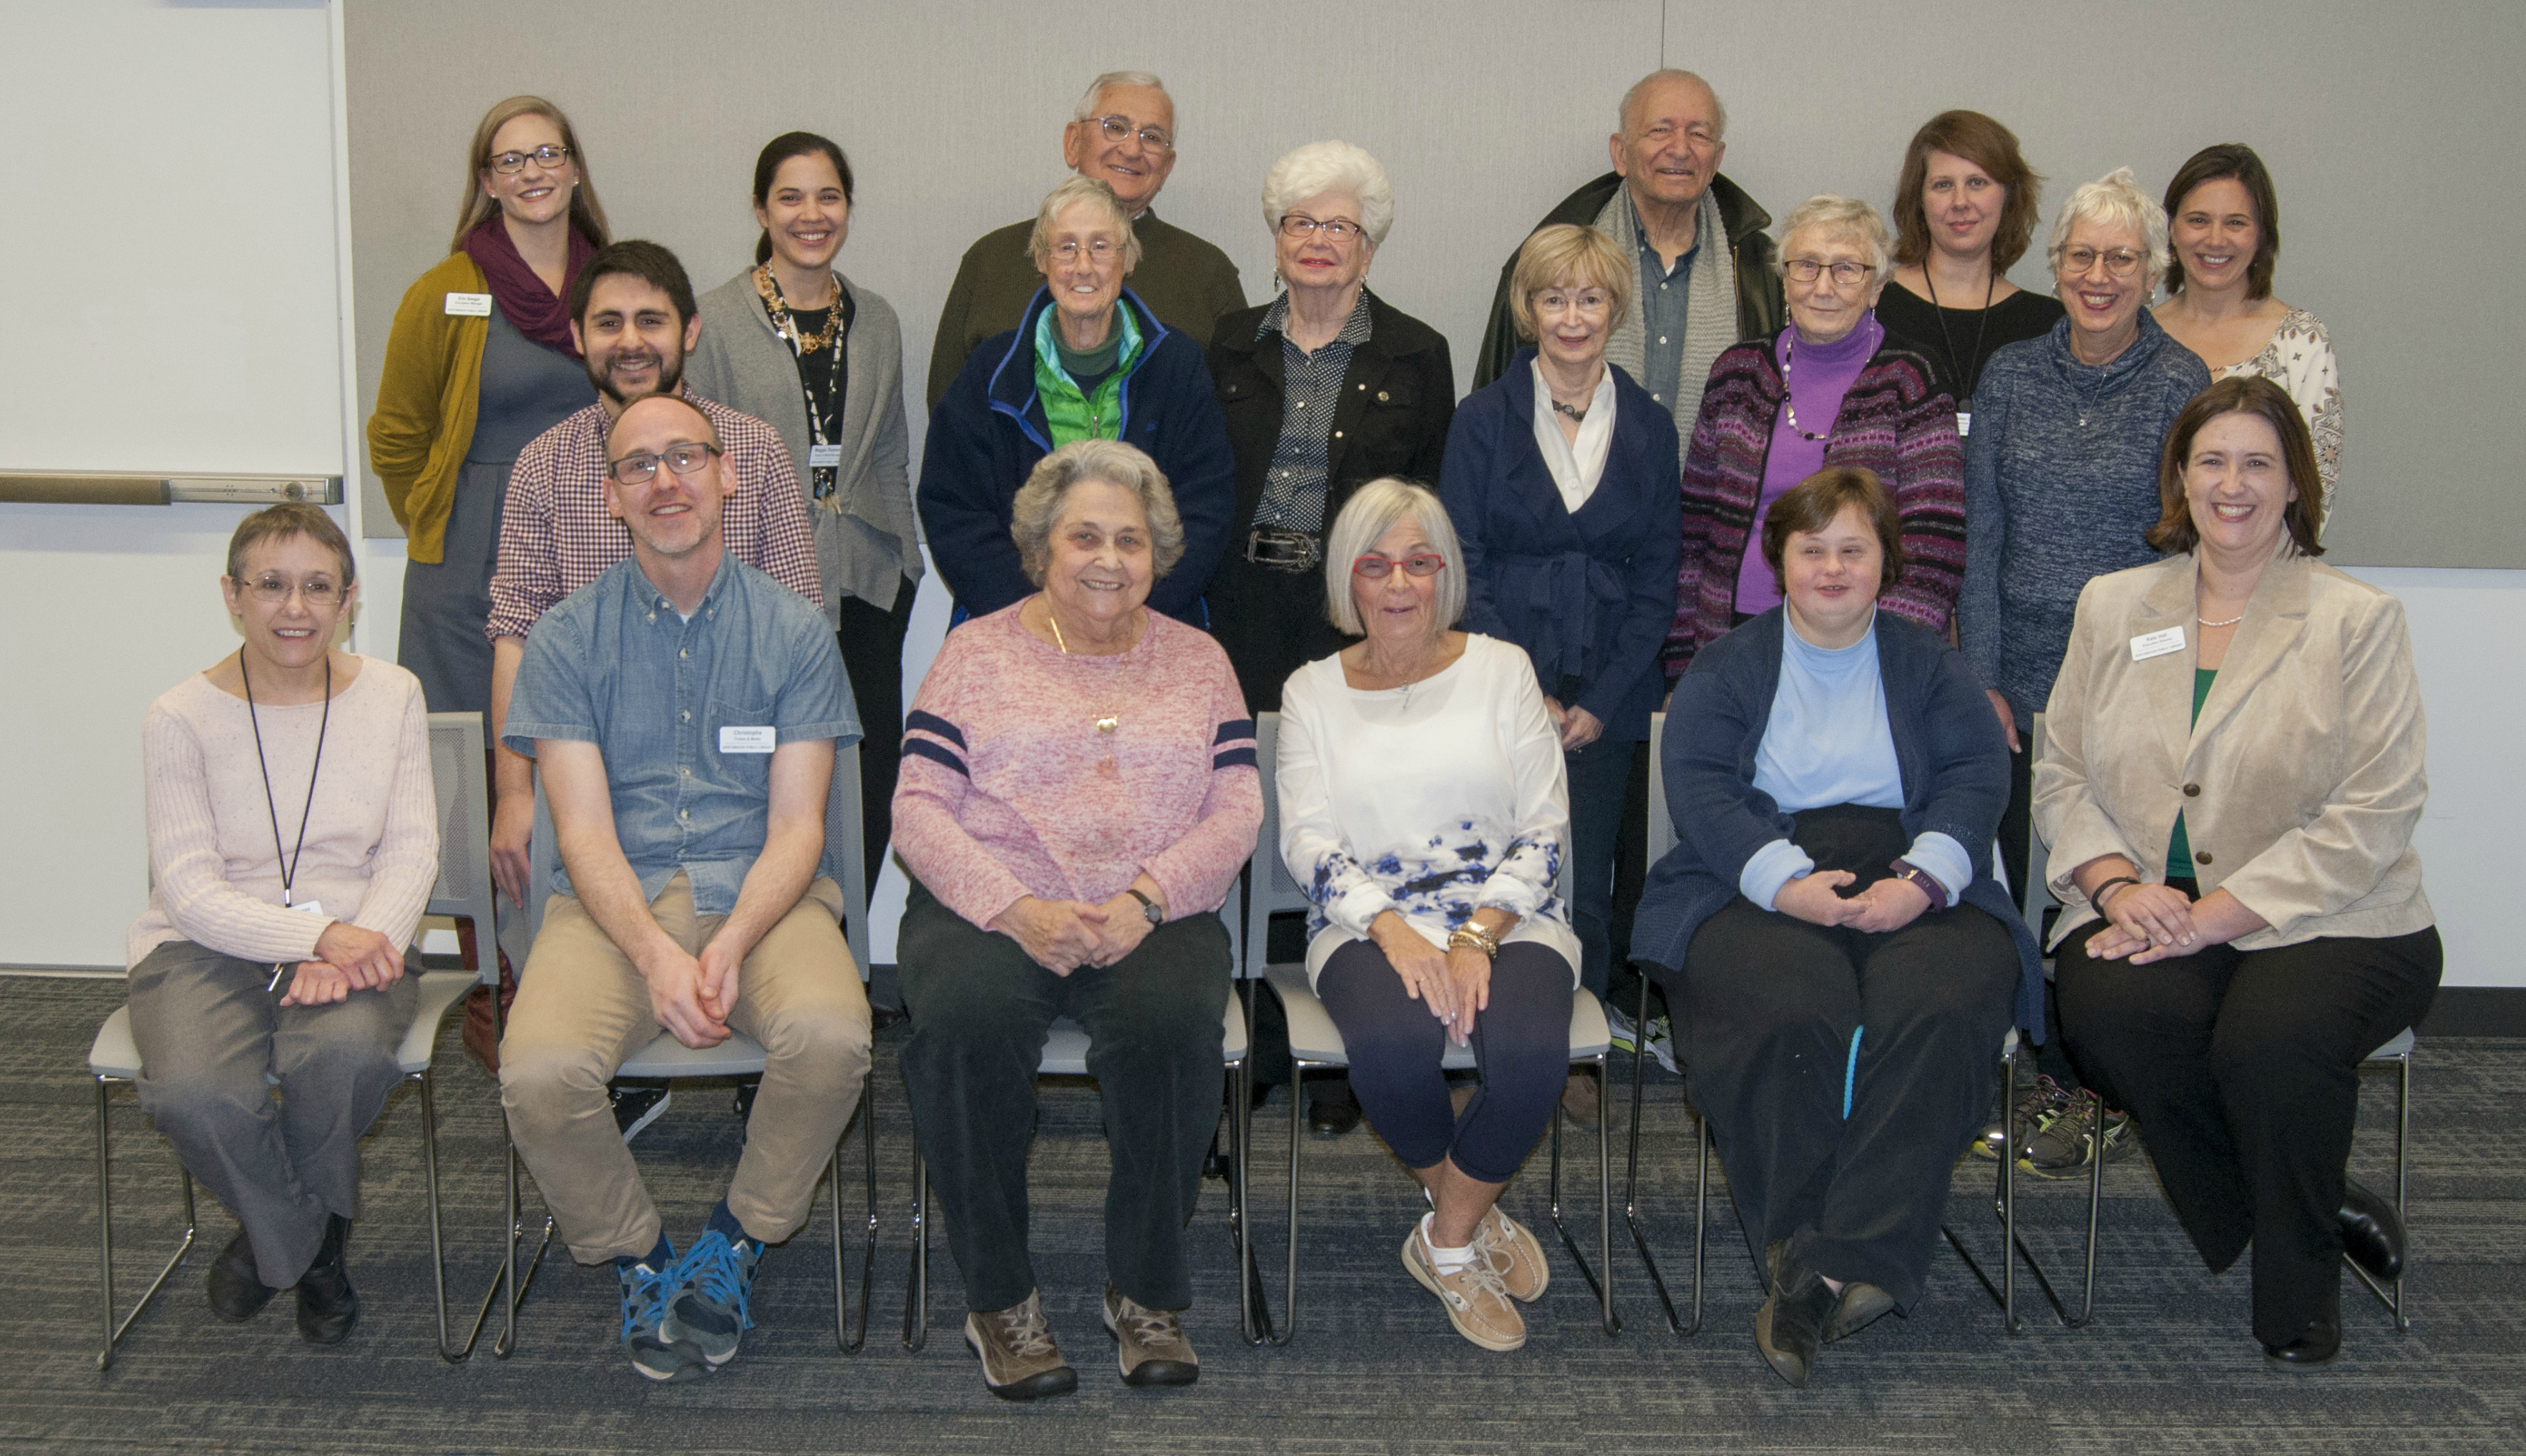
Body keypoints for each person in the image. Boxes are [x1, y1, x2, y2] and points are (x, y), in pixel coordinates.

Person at [2034, 376, 2437, 1366]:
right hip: (2138, 906)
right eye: (2210, 460)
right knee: (2112, 1011)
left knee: (2272, 1038)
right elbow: (2060, 768)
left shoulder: (2355, 617)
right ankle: (2307, 1195)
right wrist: (2117, 885)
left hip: (2333, 915)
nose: (2232, 483)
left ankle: (2296, 1305)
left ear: (2294, 482)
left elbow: (2375, 808)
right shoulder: (2114, 604)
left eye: (2258, 462)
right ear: (2180, 476)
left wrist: (2212, 913)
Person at [1629, 467, 2039, 1388]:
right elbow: (1698, 787)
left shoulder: (1931, 663)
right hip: (1756, 874)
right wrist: (1784, 882)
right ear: (1778, 560)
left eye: (1852, 548)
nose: (1830, 567)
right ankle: (1846, 1256)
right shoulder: (1725, 665)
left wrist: (1924, 879)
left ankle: (1815, 1266)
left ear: (1885, 563)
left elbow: (1977, 777)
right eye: (1810, 548)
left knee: (1938, 1006)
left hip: (1912, 866)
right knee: (1787, 1013)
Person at [497, 393, 872, 1382]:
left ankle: (735, 1239)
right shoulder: (566, 637)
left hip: (766, 892)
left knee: (834, 1036)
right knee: (536, 1071)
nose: (666, 480)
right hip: (613, 900)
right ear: (611, 496)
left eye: (686, 457)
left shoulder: (794, 629)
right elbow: (578, 829)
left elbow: (800, 828)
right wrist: (660, 954)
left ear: (729, 473)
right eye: (638, 465)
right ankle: (644, 1256)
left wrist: (731, 938)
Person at [893, 440, 1259, 1399]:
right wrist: (1013, 908)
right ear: (1040, 547)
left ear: (1157, 553)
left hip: (1151, 906)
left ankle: (1143, 1289)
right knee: (965, 1027)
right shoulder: (974, 653)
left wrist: (1147, 897)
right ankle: (998, 1297)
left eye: (1129, 539)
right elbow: (918, 808)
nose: (1108, 557)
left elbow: (1236, 811)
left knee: (1170, 1028)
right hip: (993, 903)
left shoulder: (1200, 660)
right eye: (1085, 535)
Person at [1277, 479, 1579, 1354]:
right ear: (1349, 578)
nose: (1398, 584)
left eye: (1419, 562)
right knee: (1392, 1049)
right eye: (1376, 565)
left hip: (1511, 914)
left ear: (1443, 574)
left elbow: (1546, 824)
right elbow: (1306, 839)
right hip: (1366, 923)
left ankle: (1443, 1240)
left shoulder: (1502, 668)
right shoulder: (1309, 692)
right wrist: (1395, 931)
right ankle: (1470, 1217)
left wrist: (1477, 935)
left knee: (1527, 1058)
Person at [127, 504, 438, 1345]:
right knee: (194, 1094)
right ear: (232, 594)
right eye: (270, 585)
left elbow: (412, 852)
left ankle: (275, 1245)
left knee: (338, 1058)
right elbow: (188, 890)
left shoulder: (392, 695)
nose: (293, 608)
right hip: (204, 946)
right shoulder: (179, 716)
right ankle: (304, 1244)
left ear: (349, 599)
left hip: (359, 936)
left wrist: (359, 938)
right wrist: (313, 938)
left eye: (316, 586)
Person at [1204, 140, 1456, 1137]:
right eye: (1300, 222)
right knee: (1245, 813)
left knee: (1349, 816)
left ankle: (1347, 1048)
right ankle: (1251, 1027)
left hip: (1351, 613)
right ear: (1274, 239)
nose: (1318, 241)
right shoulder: (1221, 343)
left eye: (1339, 225)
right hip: (1234, 606)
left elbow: (1429, 506)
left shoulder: (1416, 351)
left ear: (1369, 242)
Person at [484, 240, 821, 912]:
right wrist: (515, 792)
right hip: (589, 775)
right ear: (578, 336)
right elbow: (514, 637)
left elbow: (799, 632)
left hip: (736, 786)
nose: (631, 341)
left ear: (689, 332)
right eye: (609, 323)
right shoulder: (542, 466)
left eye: (652, 320)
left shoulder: (752, 451)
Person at [1439, 224, 1678, 1113]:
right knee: (1491, 856)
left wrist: (1600, 699)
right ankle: (1478, 1035)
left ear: (1614, 310)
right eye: (1552, 298)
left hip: (1613, 687)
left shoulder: (1649, 426)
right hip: (1500, 677)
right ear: (1525, 310)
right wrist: (1525, 690)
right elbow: (1459, 560)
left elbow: (1660, 580)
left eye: (1589, 298)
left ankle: (1573, 1051)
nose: (1571, 317)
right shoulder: (1480, 420)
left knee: (1588, 874)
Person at [1958, 167, 2212, 972]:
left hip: (2132, 675)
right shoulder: (2009, 374)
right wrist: (1983, 675)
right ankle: (2034, 1042)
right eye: (2080, 257)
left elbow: (2184, 548)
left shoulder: (2183, 383)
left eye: (2120, 259)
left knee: (2113, 876)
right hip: (2020, 675)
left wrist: (2156, 679)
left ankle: (2088, 1071)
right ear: (2054, 266)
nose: (2097, 279)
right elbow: (1982, 536)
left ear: (2153, 271)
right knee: (2034, 872)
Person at [688, 131, 921, 885]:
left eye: (828, 196)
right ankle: (770, 957)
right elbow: (700, 466)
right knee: (767, 781)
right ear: (760, 208)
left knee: (870, 774)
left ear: (848, 208)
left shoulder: (876, 319)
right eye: (790, 197)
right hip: (760, 589)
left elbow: (889, 454)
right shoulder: (715, 322)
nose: (810, 214)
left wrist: (905, 566)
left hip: (867, 585)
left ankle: (846, 956)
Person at [367, 95, 605, 717]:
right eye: (511, 160)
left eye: (548, 153)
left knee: (590, 741)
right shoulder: (444, 290)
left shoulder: (614, 285)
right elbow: (395, 436)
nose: (533, 172)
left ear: (575, 170)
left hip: (593, 542)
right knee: (466, 764)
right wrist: (435, 520)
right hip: (466, 560)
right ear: (488, 183)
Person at [1668, 195, 1963, 678]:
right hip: (1732, 638)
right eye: (1806, 266)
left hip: (1855, 644)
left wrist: (1885, 662)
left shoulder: (1911, 380)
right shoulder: (1736, 374)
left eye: (1847, 268)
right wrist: (1684, 664)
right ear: (1785, 280)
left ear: (1877, 287)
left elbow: (1934, 546)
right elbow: (1696, 530)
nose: (1823, 286)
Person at [920, 177, 1234, 625]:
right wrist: (1041, 617)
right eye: (1065, 247)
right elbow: (953, 508)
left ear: (1127, 260)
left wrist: (1129, 613)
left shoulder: (1177, 366)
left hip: (1151, 621)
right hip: (1013, 623)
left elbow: (1207, 506)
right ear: (1041, 261)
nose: (1083, 265)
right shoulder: (991, 371)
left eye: (1101, 246)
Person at [1473, 68, 1785, 457]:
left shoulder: (1761, 269)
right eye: (1660, 130)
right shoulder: (1547, 263)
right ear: (1620, 152)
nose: (1680, 148)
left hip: (1712, 512)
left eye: (1699, 134)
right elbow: (1493, 411)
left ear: (1717, 157)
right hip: (1564, 509)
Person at [927, 71, 1244, 408]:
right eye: (1116, 127)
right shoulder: (991, 259)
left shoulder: (1208, 272)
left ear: (1167, 167)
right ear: (1074, 143)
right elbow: (948, 412)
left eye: (1152, 137)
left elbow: (1233, 424)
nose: (1133, 149)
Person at [2153, 144, 2342, 529]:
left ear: (2261, 236)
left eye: (2236, 223)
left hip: (2261, 578)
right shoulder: (2137, 336)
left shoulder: (2301, 343)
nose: (2216, 240)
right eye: (2198, 220)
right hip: (2145, 576)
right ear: (2171, 229)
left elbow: (2313, 491)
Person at [1876, 110, 2064, 428]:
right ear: (1919, 200)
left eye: (1977, 183)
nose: (1960, 201)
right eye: (1943, 184)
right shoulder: (1874, 308)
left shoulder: (2048, 325)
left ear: (2008, 196)